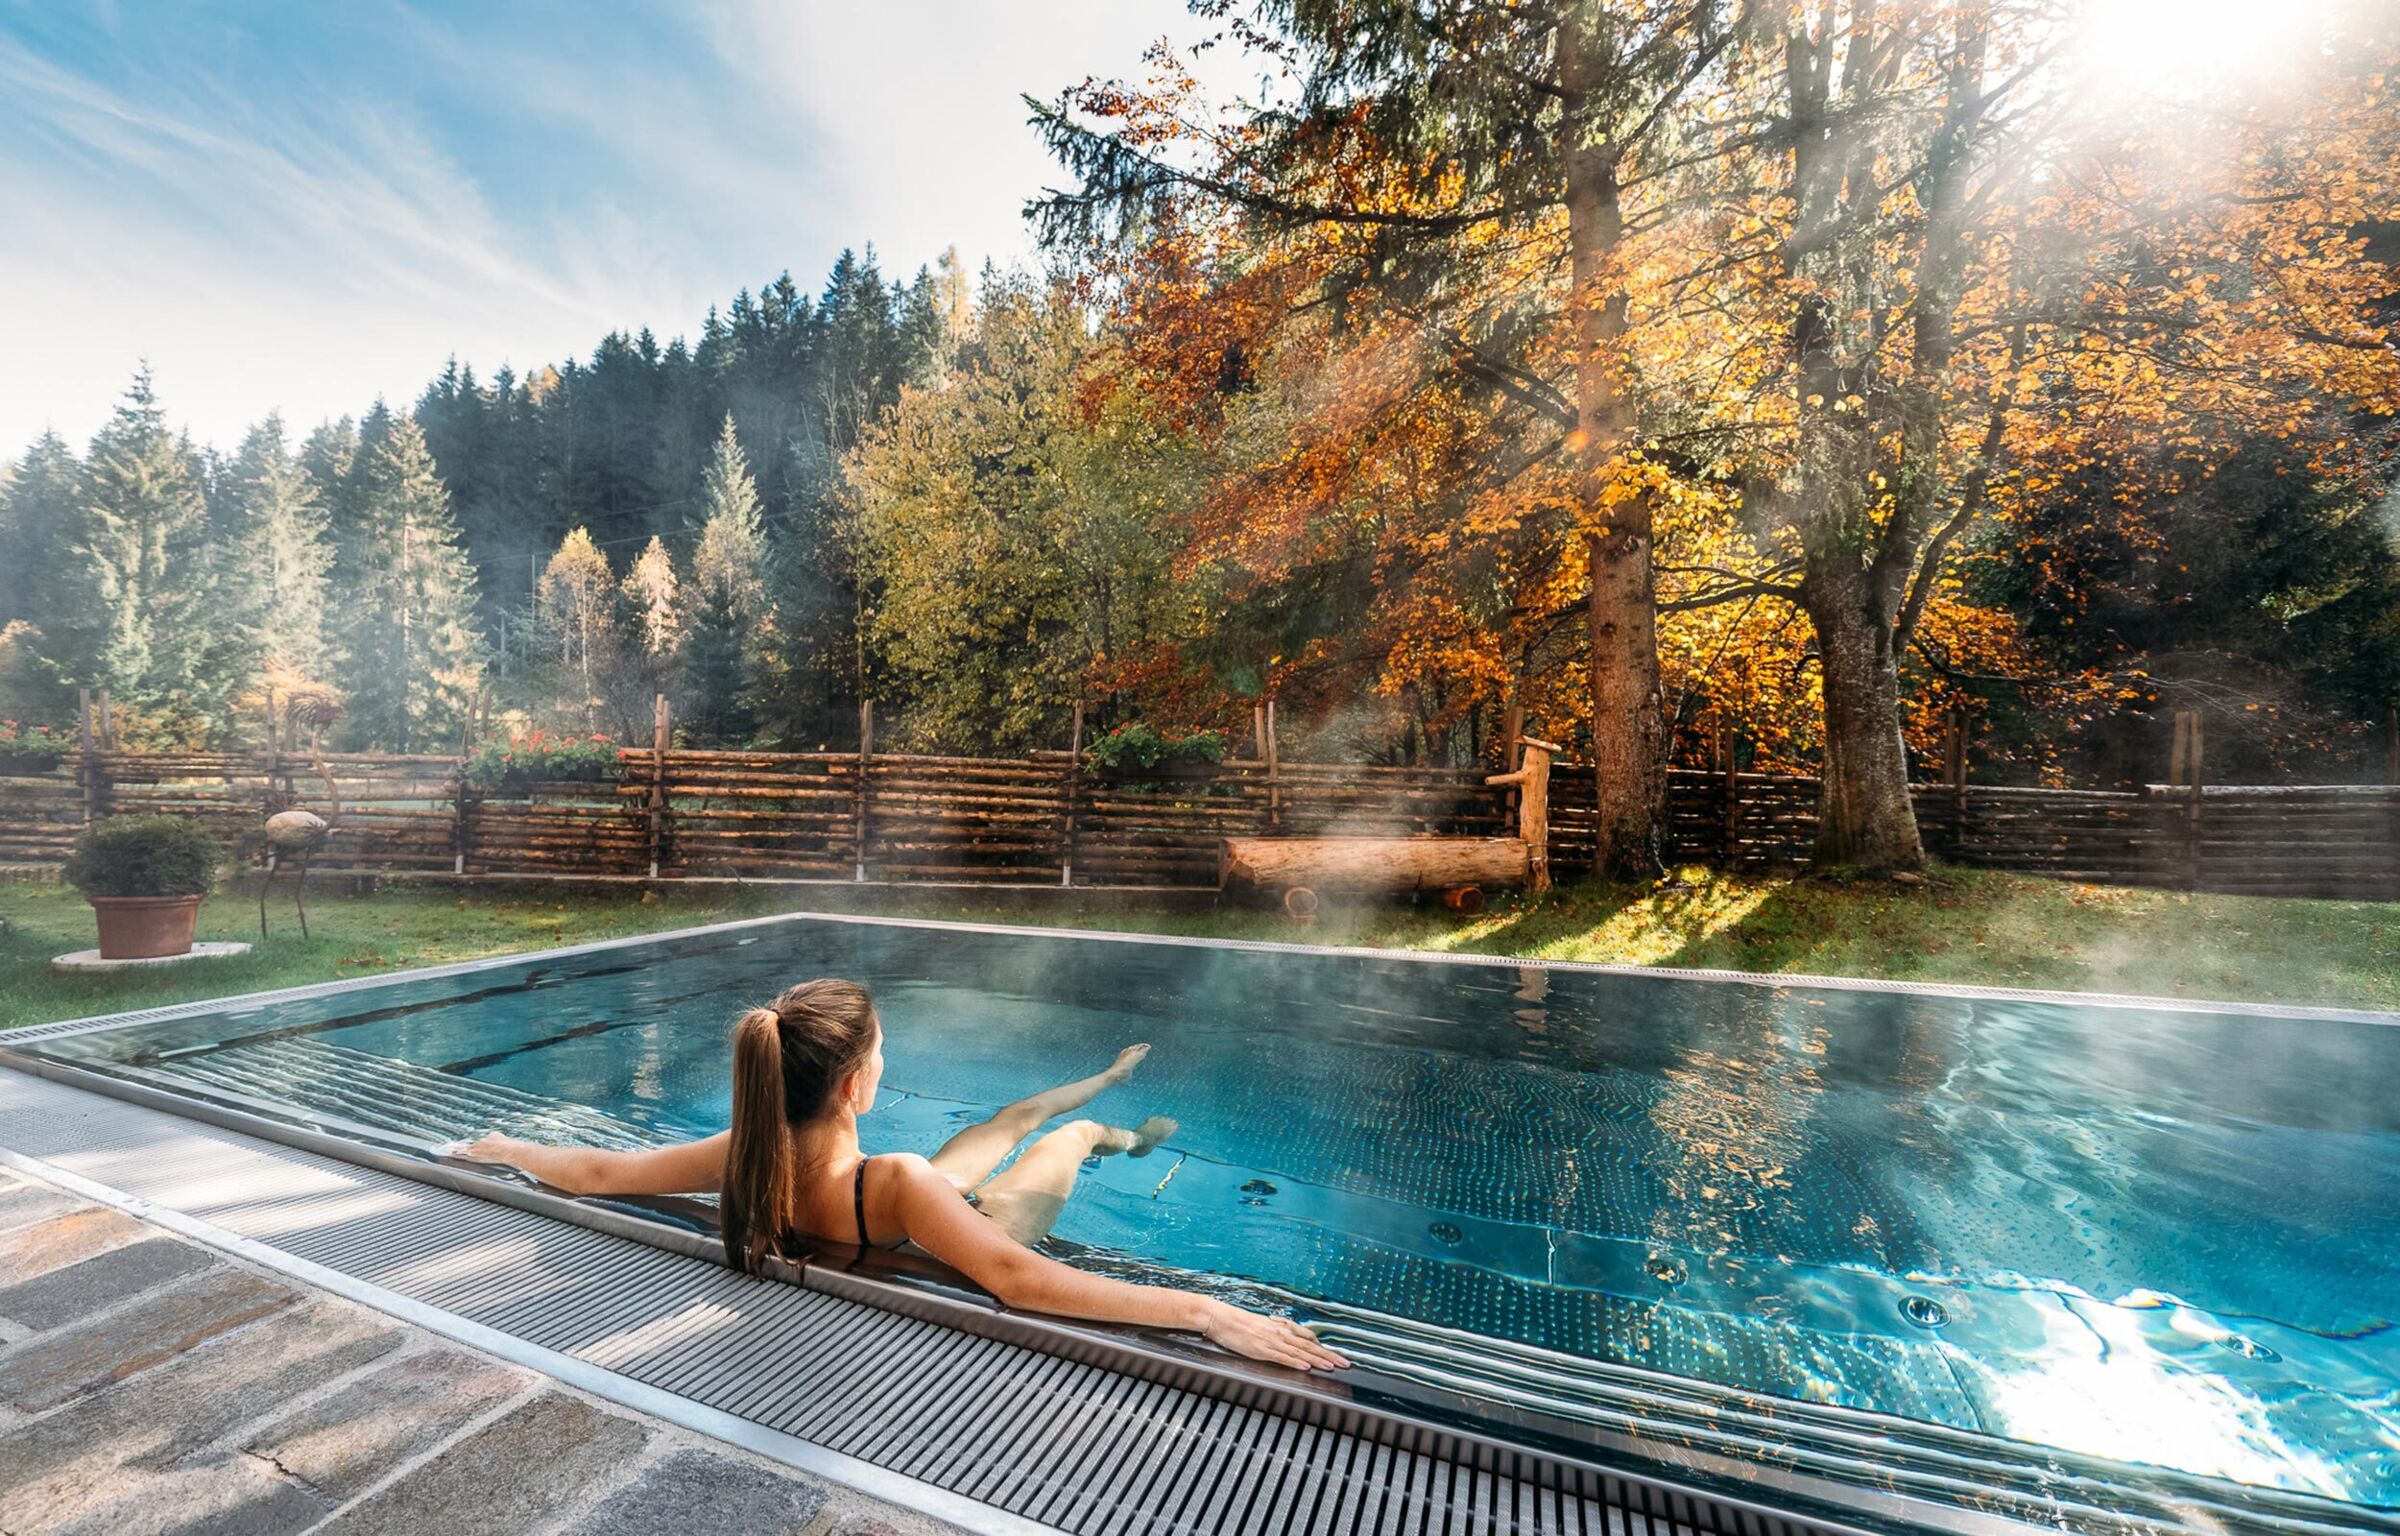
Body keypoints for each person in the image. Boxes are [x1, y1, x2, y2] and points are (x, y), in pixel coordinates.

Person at [457, 978, 1347, 1372]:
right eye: (882, 1054)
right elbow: (1016, 1279)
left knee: (1001, 1122)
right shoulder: (899, 1180)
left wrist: (510, 1153)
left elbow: (603, 1172)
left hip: (900, 1195)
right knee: (1060, 1137)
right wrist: (1208, 1313)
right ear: (855, 1084)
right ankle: (1129, 1130)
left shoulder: (744, 1150)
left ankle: (1110, 1083)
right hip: (968, 1219)